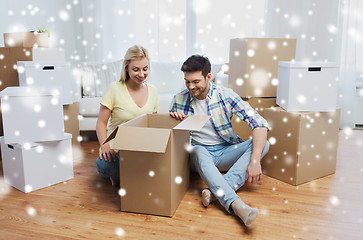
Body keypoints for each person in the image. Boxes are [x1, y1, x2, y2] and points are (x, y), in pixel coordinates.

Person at [169, 55, 270, 227]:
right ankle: (235, 204)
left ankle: (214, 192)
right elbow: (172, 140)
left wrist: (254, 160)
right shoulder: (179, 99)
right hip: (198, 153)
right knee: (199, 151)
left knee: (263, 145)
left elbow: (259, 124)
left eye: (195, 81)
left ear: (208, 77)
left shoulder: (225, 95)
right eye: (187, 82)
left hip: (224, 151)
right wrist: (174, 121)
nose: (191, 87)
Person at [96, 45, 160, 186]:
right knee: (104, 166)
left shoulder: (153, 91)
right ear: (126, 68)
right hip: (117, 151)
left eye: (145, 69)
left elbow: (153, 125)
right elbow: (101, 122)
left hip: (141, 150)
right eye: (135, 69)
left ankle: (128, 176)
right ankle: (135, 175)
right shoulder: (114, 89)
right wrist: (105, 145)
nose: (141, 74)